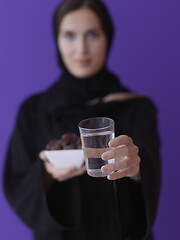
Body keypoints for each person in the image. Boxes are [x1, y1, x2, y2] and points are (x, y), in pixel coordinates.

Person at [3, 0, 161, 239]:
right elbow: (16, 184)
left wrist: (136, 169)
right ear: (56, 39)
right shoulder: (33, 110)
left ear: (107, 37)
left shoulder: (137, 107)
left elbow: (151, 185)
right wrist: (46, 173)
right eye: (69, 35)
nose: (81, 49)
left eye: (92, 35)